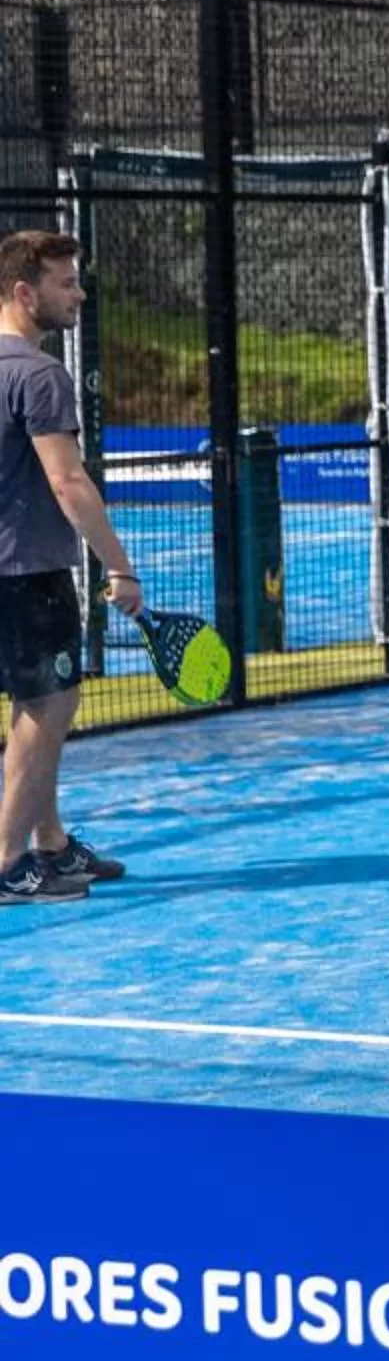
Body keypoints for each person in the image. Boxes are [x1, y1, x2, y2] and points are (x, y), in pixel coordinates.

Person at [0, 230, 143, 905]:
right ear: (25, 293)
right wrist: (121, 569)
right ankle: (8, 862)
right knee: (47, 707)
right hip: (28, 573)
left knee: (39, 711)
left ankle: (50, 845)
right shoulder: (39, 375)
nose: (79, 292)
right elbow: (69, 483)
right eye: (66, 282)